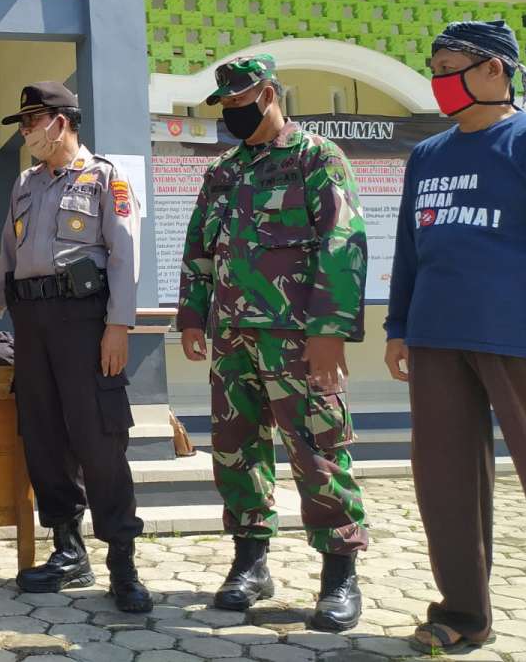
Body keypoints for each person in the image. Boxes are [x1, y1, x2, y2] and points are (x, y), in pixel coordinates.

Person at [177, 54, 369, 632]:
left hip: (297, 339)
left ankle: (339, 575)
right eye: (227, 105)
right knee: (235, 448)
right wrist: (192, 315)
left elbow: (343, 242)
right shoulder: (224, 171)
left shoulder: (316, 158)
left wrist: (330, 332)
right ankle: (251, 564)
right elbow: (200, 247)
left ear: (269, 94)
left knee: (317, 450)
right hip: (231, 336)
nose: (234, 112)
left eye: (241, 101)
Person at [0, 82, 152, 614]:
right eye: (21, 124)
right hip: (32, 322)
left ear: (61, 122)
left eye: (30, 123)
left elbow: (124, 258)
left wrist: (118, 327)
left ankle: (122, 561)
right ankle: (69, 550)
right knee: (42, 433)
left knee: (98, 440)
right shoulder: (25, 184)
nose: (24, 134)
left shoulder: (105, 179)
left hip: (86, 324)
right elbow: (8, 255)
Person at [384, 20, 526, 655]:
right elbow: (409, 249)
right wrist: (399, 327)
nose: (438, 78)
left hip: (519, 337)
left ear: (493, 71)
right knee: (444, 480)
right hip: (435, 337)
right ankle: (463, 614)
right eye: (435, 65)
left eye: (450, 65)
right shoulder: (428, 154)